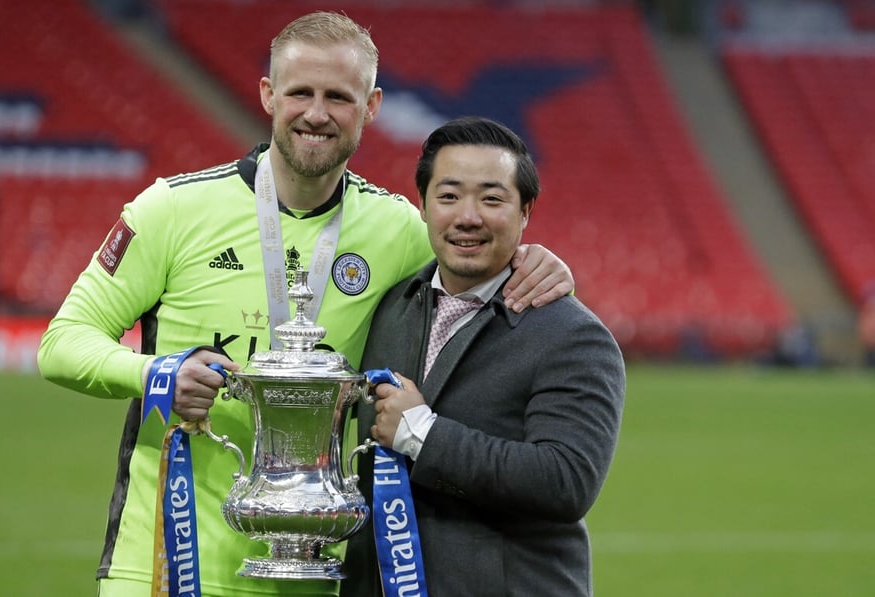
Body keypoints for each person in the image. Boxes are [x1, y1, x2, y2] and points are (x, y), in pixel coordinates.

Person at [37, 12, 575, 597]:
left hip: (310, 569)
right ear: (269, 95)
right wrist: (157, 373)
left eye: (338, 97)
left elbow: (475, 253)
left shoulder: (397, 230)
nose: (317, 114)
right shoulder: (171, 210)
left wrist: (538, 259)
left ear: (370, 107)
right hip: (165, 564)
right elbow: (62, 343)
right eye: (301, 92)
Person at [342, 116, 625, 597]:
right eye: (448, 196)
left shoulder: (574, 338)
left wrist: (421, 433)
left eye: (492, 199)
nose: (467, 216)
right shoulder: (390, 308)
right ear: (424, 206)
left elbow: (566, 481)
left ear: (525, 211)